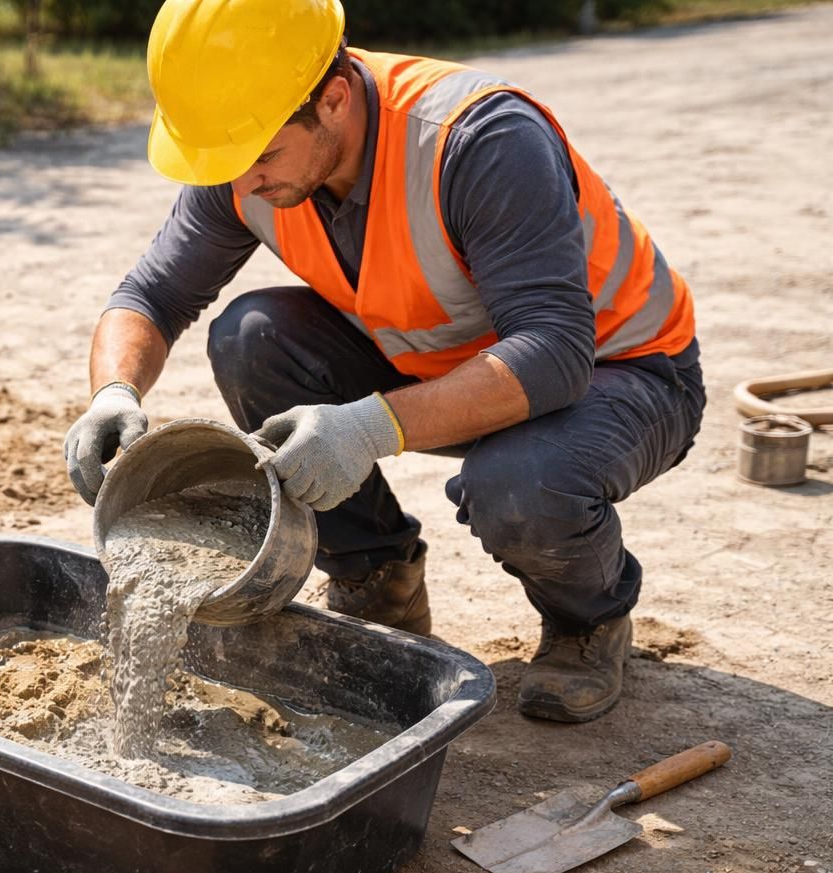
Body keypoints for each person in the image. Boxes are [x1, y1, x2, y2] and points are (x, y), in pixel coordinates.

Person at [63, 0, 706, 723]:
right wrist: (113, 393)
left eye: (260, 159)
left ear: (333, 99)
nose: (240, 185)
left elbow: (555, 352)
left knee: (518, 483)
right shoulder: (248, 149)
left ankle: (588, 620)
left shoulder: (479, 139)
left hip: (622, 372)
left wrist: (368, 427)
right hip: (442, 361)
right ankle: (378, 578)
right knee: (253, 335)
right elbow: (150, 294)